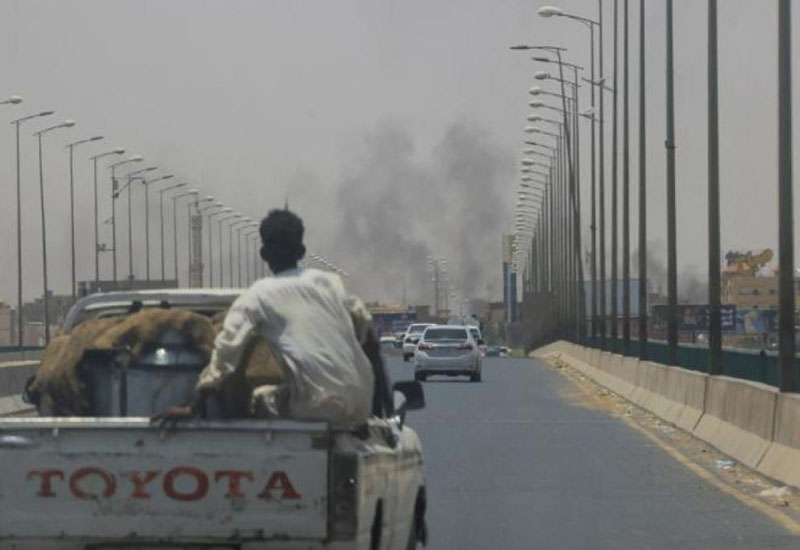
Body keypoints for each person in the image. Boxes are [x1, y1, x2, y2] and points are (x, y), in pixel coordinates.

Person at [159, 208, 390, 426]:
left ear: (263, 254)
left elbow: (226, 354)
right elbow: (369, 337)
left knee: (261, 398)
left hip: (316, 407)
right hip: (362, 404)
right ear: (301, 252)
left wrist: (194, 406)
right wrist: (381, 414)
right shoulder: (331, 283)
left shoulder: (257, 296)